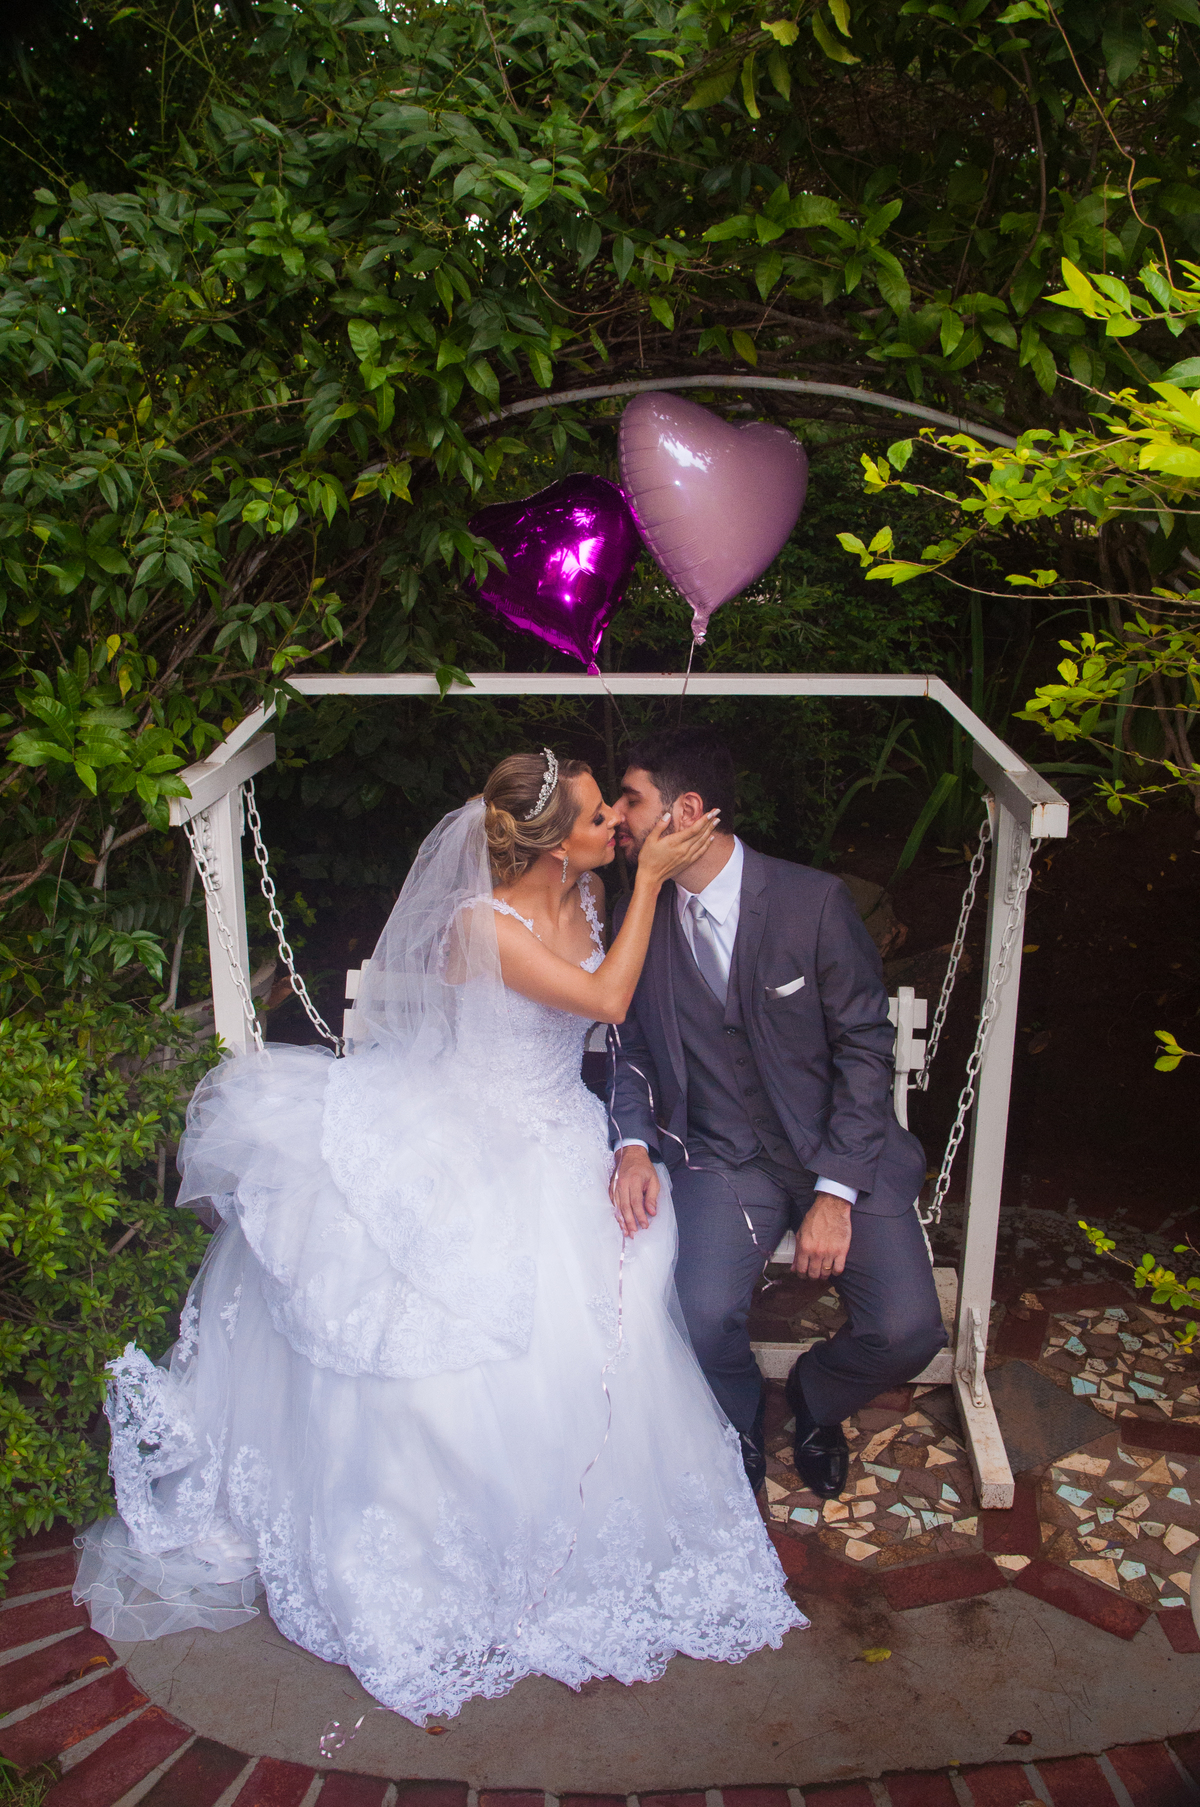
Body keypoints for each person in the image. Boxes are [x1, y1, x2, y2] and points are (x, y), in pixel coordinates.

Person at [74, 749, 804, 1728]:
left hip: (561, 1138)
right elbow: (607, 1003)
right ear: (550, 848)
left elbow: (616, 1026)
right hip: (470, 1142)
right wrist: (656, 885)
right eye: (596, 822)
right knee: (450, 1338)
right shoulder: (481, 924)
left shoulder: (588, 897)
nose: (614, 833)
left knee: (605, 1313)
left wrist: (630, 1135)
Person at [608, 728, 946, 1500]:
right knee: (700, 1311)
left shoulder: (812, 902)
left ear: (686, 809)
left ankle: (817, 1399)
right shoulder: (639, 914)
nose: (618, 816)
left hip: (837, 1148)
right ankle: (735, 1428)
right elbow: (628, 1049)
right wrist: (630, 1142)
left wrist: (835, 1191)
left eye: (632, 800)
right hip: (724, 1158)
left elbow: (866, 1049)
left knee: (907, 1330)